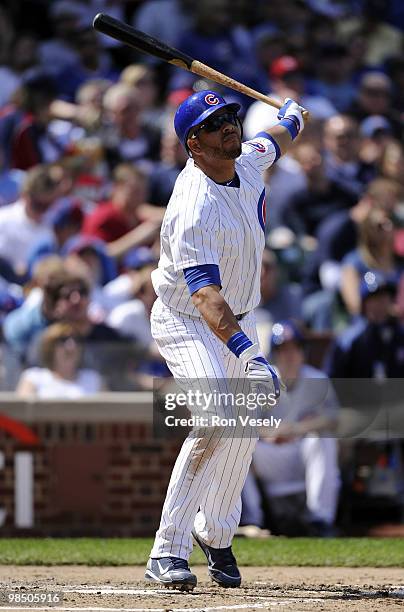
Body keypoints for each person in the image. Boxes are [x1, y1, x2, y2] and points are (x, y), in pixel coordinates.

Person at [145, 89, 306, 590]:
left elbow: (275, 138)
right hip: (188, 319)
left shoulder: (247, 161)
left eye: (231, 118)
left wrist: (293, 117)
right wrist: (250, 356)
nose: (229, 128)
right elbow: (206, 299)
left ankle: (215, 533)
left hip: (241, 313)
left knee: (243, 428)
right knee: (216, 417)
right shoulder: (192, 205)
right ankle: (167, 551)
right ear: (194, 144)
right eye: (216, 125)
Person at [241, 320, 339, 537]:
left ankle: (321, 519)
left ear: (302, 352)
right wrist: (271, 432)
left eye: (294, 348)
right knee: (239, 445)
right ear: (275, 354)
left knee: (322, 440)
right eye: (283, 349)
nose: (289, 355)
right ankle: (252, 520)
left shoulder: (317, 379)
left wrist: (297, 428)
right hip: (272, 456)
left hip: (303, 453)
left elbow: (333, 419)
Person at [16, 322, 104, 398]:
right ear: (50, 347)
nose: (71, 346)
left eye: (77, 340)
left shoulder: (94, 379)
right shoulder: (33, 378)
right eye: (63, 340)